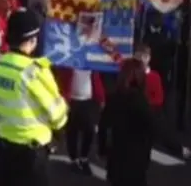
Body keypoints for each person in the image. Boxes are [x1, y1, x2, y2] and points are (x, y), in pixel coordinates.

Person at [0, 9, 68, 186]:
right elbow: (58, 117)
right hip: (31, 155)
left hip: (5, 150)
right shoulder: (34, 71)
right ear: (32, 40)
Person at [98, 58, 190, 186]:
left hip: (116, 158)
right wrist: (178, 148)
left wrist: (102, 149)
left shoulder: (114, 98)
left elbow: (103, 126)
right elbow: (158, 128)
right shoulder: (140, 102)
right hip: (135, 162)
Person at [56, 67, 105, 175]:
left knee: (89, 130)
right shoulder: (70, 63)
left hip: (88, 102)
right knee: (71, 131)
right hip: (71, 101)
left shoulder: (91, 65)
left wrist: (101, 97)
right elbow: (60, 77)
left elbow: (96, 80)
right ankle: (74, 159)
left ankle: (84, 158)